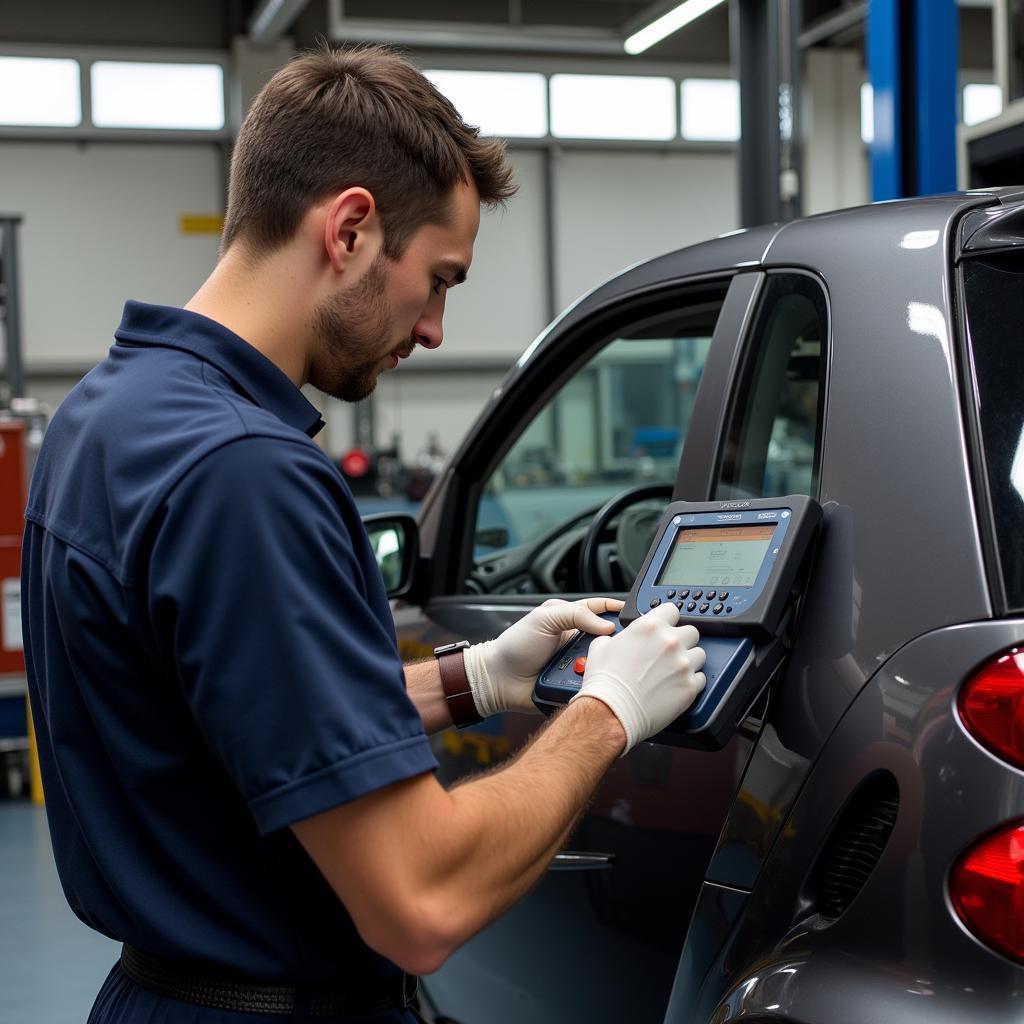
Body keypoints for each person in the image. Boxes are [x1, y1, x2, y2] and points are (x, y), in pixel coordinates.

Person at [20, 45, 707, 1024]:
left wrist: (477, 678)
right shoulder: (245, 475)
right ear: (349, 229)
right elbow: (417, 900)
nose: (432, 328)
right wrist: (607, 712)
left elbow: (238, 715)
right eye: (439, 280)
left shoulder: (107, 411)